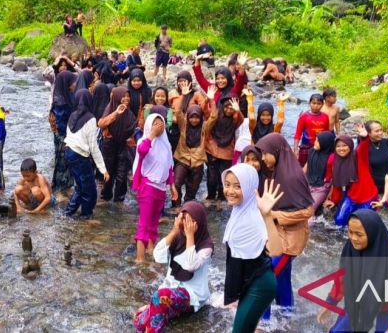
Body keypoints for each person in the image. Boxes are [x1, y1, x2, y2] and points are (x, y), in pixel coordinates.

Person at [316, 210, 388, 333]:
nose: (353, 238)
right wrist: (330, 304)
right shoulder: (351, 250)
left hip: (387, 307)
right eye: (350, 232)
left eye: (359, 234)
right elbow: (342, 279)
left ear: (372, 235)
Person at [255, 134, 314, 322]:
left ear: (277, 152)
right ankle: (287, 314)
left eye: (266, 154)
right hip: (275, 236)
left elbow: (308, 211)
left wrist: (275, 216)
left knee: (266, 277)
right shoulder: (273, 172)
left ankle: (263, 322)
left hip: (290, 241)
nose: (263, 158)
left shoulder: (293, 176)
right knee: (282, 277)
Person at [222, 164, 284, 333]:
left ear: (249, 187)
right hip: (249, 282)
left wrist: (267, 215)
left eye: (237, 186)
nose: (230, 191)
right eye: (227, 184)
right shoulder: (239, 211)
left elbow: (276, 250)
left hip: (260, 285)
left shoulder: (255, 215)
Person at [134, 202, 213, 333]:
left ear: (199, 222)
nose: (186, 225)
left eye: (190, 221)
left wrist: (190, 237)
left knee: (159, 297)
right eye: (183, 219)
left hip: (192, 295)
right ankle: (160, 311)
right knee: (139, 321)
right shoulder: (177, 237)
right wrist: (174, 231)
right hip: (172, 290)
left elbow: (190, 265)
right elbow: (157, 255)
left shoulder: (206, 246)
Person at [133, 114, 178, 262]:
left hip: (160, 188)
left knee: (154, 222)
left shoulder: (166, 144)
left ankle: (151, 249)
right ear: (149, 125)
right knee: (144, 224)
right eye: (155, 123)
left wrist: (172, 186)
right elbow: (142, 151)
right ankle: (140, 259)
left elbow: (169, 167)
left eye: (161, 123)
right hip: (148, 186)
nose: (159, 126)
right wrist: (152, 134)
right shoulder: (144, 141)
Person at [64, 90, 110, 220]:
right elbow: (93, 146)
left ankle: (68, 213)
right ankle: (86, 216)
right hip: (79, 155)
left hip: (68, 152)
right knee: (90, 190)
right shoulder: (90, 118)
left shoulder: (72, 115)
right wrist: (103, 169)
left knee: (80, 187)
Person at [324, 135, 378, 227]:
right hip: (351, 196)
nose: (341, 149)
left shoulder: (358, 156)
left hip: (367, 196)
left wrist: (364, 138)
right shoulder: (335, 160)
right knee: (339, 221)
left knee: (364, 224)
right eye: (338, 146)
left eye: (344, 145)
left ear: (350, 145)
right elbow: (337, 183)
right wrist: (333, 201)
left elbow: (363, 148)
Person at [98, 86, 138, 203]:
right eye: (123, 96)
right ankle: (105, 197)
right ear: (117, 97)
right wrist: (116, 113)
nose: (126, 99)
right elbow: (101, 124)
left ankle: (119, 199)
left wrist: (130, 139)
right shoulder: (110, 108)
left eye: (128, 96)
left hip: (123, 145)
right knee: (108, 172)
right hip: (109, 145)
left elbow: (133, 128)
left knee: (122, 174)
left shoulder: (129, 113)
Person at [204, 88, 244, 203]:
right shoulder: (216, 115)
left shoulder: (234, 119)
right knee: (211, 177)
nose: (228, 110)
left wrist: (238, 110)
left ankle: (221, 199)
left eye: (231, 108)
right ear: (222, 107)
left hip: (227, 153)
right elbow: (205, 111)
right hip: (212, 149)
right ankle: (211, 197)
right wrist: (209, 99)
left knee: (224, 177)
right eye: (226, 107)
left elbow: (241, 120)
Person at [172, 102, 212, 207]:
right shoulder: (184, 125)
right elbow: (178, 112)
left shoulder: (204, 127)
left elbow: (214, 117)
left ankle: (187, 206)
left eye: (197, 117)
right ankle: (176, 206)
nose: (194, 120)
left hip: (198, 160)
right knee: (176, 183)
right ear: (188, 117)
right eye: (192, 117)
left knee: (193, 188)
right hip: (182, 158)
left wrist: (211, 100)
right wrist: (184, 97)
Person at [49, 71, 77, 193]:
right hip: (63, 136)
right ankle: (60, 189)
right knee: (62, 161)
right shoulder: (60, 101)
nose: (74, 84)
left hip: (69, 134)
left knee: (68, 161)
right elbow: (61, 122)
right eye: (72, 82)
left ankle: (66, 186)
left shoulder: (67, 95)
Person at [293, 93, 330, 167]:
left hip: (320, 146)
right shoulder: (303, 117)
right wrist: (296, 149)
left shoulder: (325, 117)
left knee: (318, 166)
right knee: (303, 166)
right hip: (306, 146)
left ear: (322, 104)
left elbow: (327, 134)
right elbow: (298, 134)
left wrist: (328, 148)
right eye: (314, 103)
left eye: (318, 104)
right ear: (309, 103)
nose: (316, 106)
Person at [304, 131, 336, 217]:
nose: (315, 142)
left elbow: (335, 178)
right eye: (315, 140)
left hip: (321, 188)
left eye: (318, 141)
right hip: (308, 184)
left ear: (325, 143)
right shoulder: (311, 152)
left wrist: (330, 196)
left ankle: (309, 228)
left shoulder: (331, 157)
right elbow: (305, 169)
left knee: (310, 209)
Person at [364, 120, 388, 198]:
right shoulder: (364, 147)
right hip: (373, 184)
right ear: (369, 133)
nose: (380, 133)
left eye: (381, 130)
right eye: (377, 131)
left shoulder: (387, 142)